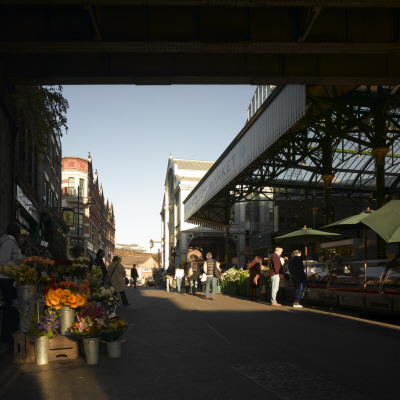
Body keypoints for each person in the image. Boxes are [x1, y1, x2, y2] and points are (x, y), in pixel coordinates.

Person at [0, 223, 23, 343]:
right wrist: (14, 272)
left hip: (8, 279)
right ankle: (8, 335)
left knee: (11, 306)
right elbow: (3, 261)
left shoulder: (10, 242)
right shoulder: (9, 242)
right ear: (17, 233)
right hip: (7, 279)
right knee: (11, 307)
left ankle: (8, 334)